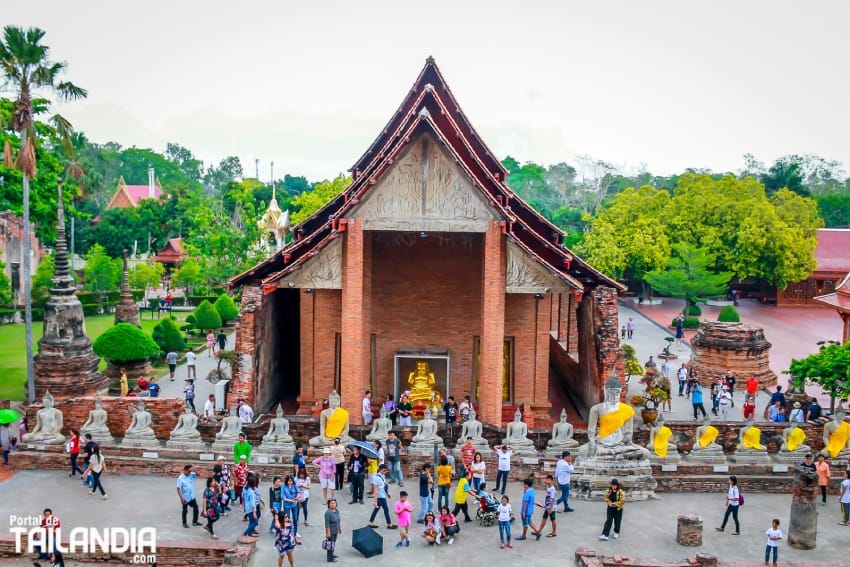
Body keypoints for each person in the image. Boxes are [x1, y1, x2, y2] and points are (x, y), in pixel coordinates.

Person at [368, 464, 395, 529]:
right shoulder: (377, 478)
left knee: (376, 509)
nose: (386, 472)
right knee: (386, 510)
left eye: (386, 470)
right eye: (384, 470)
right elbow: (375, 489)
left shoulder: (382, 475)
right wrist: (375, 501)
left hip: (382, 495)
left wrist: (387, 493)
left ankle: (370, 522)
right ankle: (389, 524)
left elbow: (384, 486)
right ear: (380, 470)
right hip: (380, 497)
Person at [177, 464, 201, 529]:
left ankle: (195, 522)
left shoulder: (191, 474)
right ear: (185, 470)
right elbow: (178, 489)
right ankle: (184, 523)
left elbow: (199, 475)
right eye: (188, 471)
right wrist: (181, 498)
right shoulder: (180, 478)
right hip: (185, 497)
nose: (189, 473)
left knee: (196, 508)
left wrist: (194, 470)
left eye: (190, 471)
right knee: (185, 510)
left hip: (192, 496)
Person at [281, 474, 301, 539]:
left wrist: (297, 497)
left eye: (291, 481)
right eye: (289, 481)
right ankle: (288, 533)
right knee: (287, 519)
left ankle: (295, 532)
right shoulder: (283, 486)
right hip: (287, 504)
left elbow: (299, 492)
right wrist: (290, 500)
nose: (290, 482)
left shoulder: (294, 486)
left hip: (294, 504)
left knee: (295, 519)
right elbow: (282, 497)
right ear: (286, 481)